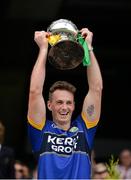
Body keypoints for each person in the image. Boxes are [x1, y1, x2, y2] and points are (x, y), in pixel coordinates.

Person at [27, 25, 103, 179]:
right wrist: (43, 49)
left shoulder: (84, 129)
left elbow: (96, 89)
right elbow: (35, 92)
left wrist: (88, 47)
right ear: (50, 105)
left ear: (74, 106)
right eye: (59, 102)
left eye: (69, 103)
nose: (64, 107)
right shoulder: (41, 130)